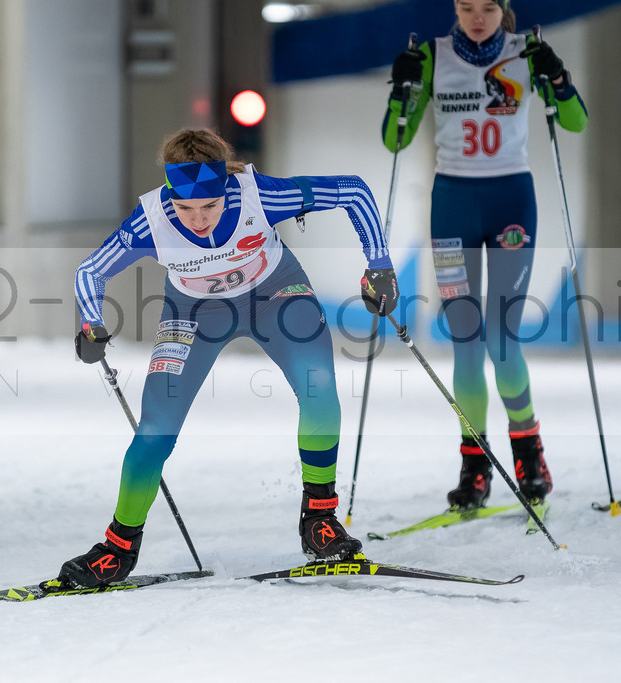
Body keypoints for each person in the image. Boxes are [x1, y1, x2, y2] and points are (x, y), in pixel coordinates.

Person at [53, 128, 399, 588]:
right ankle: (117, 548)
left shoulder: (258, 196)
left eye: (210, 207)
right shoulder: (151, 220)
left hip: (277, 295)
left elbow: (354, 191)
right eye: (186, 208)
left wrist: (379, 265)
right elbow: (90, 271)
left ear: (226, 190)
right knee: (156, 430)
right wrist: (90, 323)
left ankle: (319, 521)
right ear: (169, 196)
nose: (198, 220)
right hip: (193, 314)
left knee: (320, 393)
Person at [380, 0, 588, 510]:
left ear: (504, 9)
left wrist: (557, 78)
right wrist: (401, 91)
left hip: (511, 204)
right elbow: (394, 140)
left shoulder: (526, 51)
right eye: (467, 7)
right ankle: (475, 463)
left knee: (503, 342)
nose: (478, 17)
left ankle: (528, 447)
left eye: (489, 7)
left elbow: (576, 122)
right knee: (467, 345)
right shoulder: (432, 56)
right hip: (452, 207)